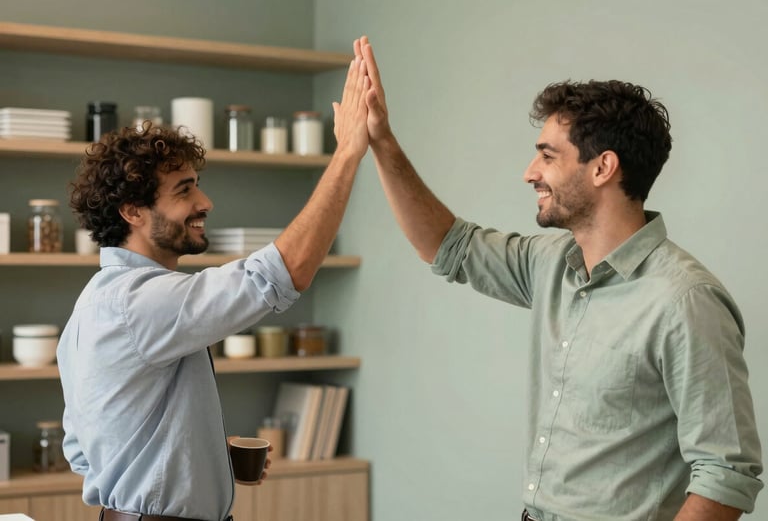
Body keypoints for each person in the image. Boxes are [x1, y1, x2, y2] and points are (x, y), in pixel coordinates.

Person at [356, 36, 763, 520]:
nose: (530, 172)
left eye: (548, 156)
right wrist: (382, 143)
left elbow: (725, 475)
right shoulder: (550, 263)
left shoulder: (686, 301)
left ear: (603, 167)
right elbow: (448, 245)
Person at [56, 42, 371, 521]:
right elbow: (277, 276)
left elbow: (87, 448)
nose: (206, 202)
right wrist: (348, 151)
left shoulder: (95, 303)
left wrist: (195, 459)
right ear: (133, 211)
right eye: (185, 190)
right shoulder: (140, 301)